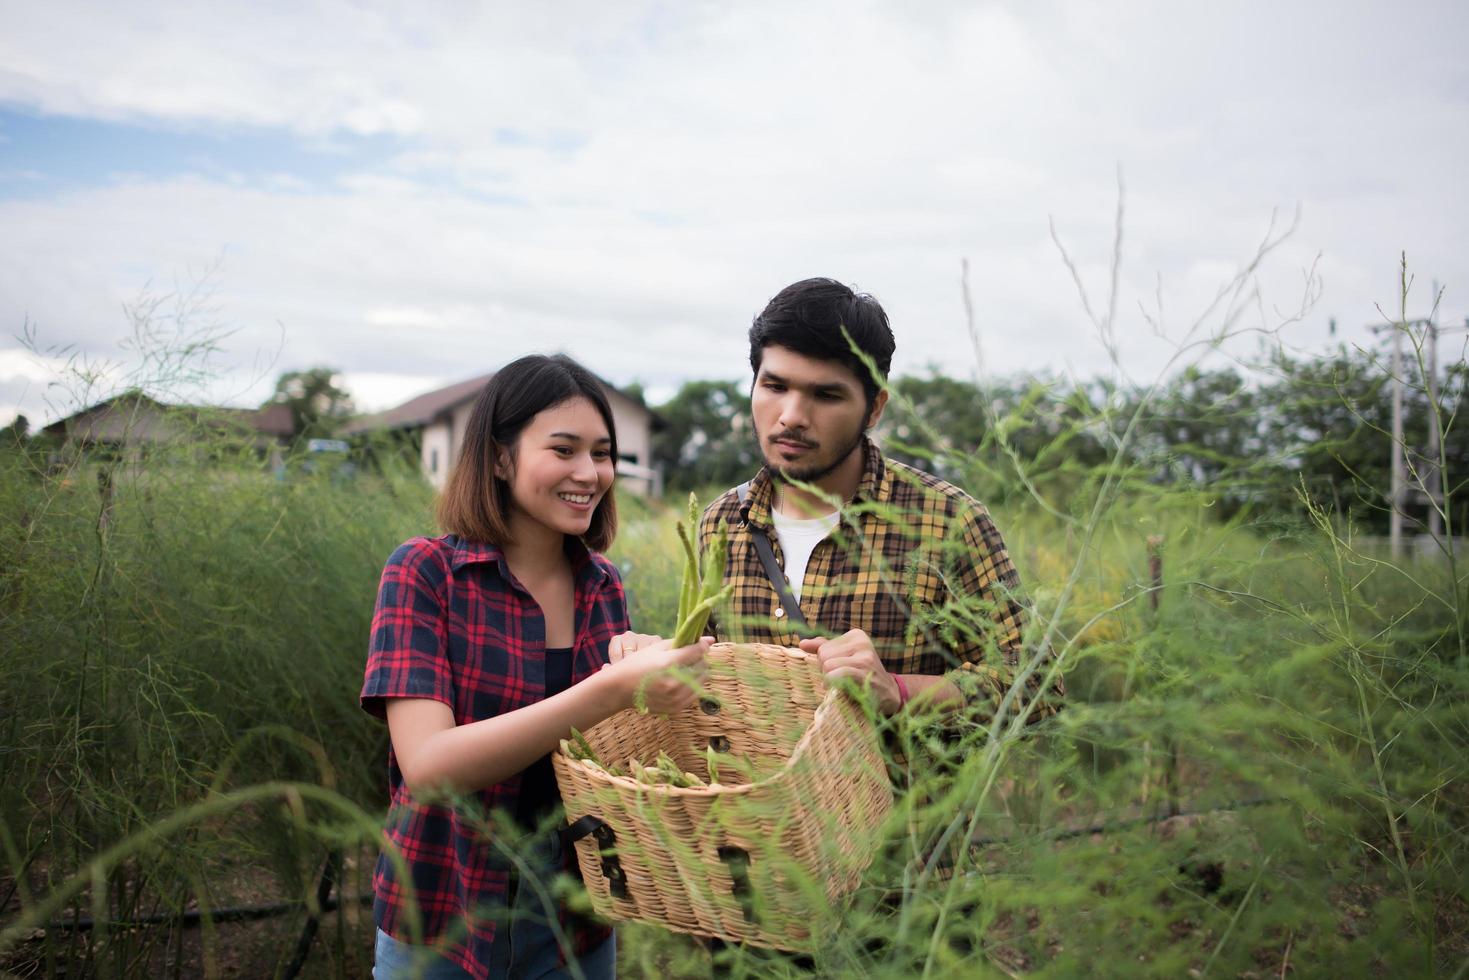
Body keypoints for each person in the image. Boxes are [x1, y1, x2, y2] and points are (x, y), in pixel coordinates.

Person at [361, 354, 710, 980]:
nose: (590, 472)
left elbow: (601, 763)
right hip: (444, 916)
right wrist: (608, 690)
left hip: (572, 920)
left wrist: (649, 690)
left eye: (602, 453)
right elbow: (430, 767)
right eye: (564, 449)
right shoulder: (425, 573)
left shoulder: (602, 586)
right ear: (500, 458)